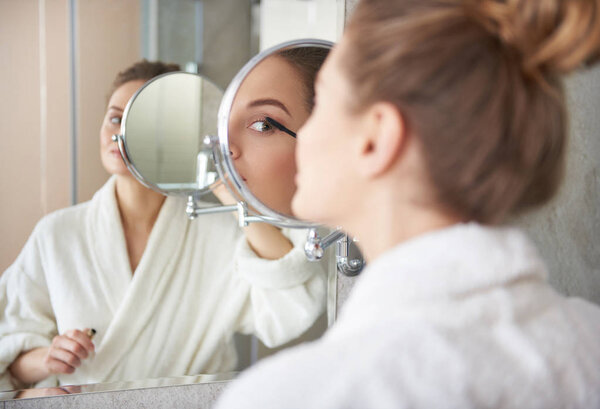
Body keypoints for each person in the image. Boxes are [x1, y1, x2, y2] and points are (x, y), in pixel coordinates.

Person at [215, 0, 600, 408]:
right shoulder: (587, 339)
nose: (305, 137)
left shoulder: (299, 396)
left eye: (323, 101)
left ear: (377, 138)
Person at [0, 59, 328, 391]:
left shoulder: (215, 231)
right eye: (115, 118)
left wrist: (218, 176)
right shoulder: (56, 235)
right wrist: (49, 357)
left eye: (140, 121)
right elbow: (9, 356)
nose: (121, 133)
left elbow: (290, 299)